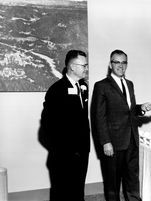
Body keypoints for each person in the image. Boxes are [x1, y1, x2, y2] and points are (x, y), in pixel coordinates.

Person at [91, 49, 151, 201]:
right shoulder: (101, 86)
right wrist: (106, 142)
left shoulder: (130, 84)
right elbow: (98, 117)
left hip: (131, 139)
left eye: (124, 62)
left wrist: (141, 108)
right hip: (113, 142)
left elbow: (128, 110)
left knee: (132, 179)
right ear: (110, 64)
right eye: (116, 62)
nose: (120, 65)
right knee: (112, 183)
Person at [39, 50, 90, 201]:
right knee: (62, 194)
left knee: (78, 192)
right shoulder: (56, 90)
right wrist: (62, 152)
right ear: (72, 67)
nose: (86, 68)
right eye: (84, 65)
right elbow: (47, 128)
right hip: (63, 157)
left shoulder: (83, 87)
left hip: (81, 153)